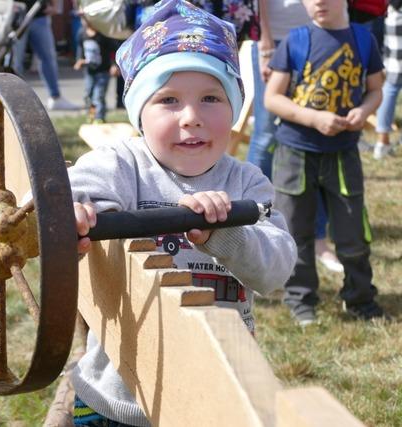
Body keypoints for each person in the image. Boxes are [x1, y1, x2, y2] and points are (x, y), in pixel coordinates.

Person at [69, 1, 297, 424]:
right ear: (139, 113)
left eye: (211, 97)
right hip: (117, 397)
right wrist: (77, 212)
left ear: (234, 108)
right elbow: (75, 190)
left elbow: (276, 270)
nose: (191, 117)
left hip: (215, 394)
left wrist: (224, 232)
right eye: (169, 100)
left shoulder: (248, 183)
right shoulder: (124, 164)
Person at [264, 0, 387, 325]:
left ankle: (360, 298)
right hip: (295, 152)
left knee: (352, 232)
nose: (318, 1)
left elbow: (376, 89)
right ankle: (301, 299)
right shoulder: (295, 40)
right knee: (297, 230)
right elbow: (272, 98)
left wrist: (364, 110)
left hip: (343, 153)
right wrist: (312, 118)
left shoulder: (363, 39)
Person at [248, 0, 343, 274]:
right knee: (266, 137)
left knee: (314, 136)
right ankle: (251, 221)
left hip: (317, 36)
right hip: (274, 39)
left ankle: (319, 238)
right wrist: (265, 42)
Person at [13, 0, 79, 111]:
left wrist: (55, 6)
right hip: (16, 18)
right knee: (16, 62)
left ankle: (55, 97)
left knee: (48, 58)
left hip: (39, 15)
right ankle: (14, 100)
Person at [74, 16, 117, 123]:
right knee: (88, 95)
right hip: (89, 72)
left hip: (103, 71)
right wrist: (79, 60)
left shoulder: (103, 35)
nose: (86, 22)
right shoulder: (82, 33)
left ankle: (99, 118)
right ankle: (91, 115)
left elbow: (114, 51)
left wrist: (114, 65)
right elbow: (80, 48)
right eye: (83, 19)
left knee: (98, 96)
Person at [374, 4, 402, 160]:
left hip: (392, 15)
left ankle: (382, 142)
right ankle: (382, 142)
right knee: (391, 88)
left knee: (390, 87)